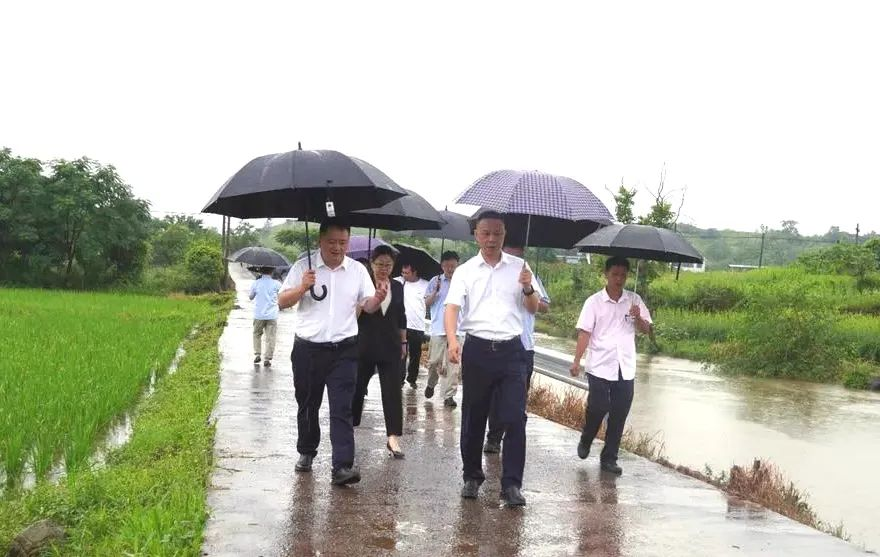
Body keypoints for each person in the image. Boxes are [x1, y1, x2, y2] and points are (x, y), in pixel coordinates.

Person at [279, 220, 388, 486]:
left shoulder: (358, 271)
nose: (337, 248)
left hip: (344, 349)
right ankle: (307, 451)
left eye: (343, 242)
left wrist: (378, 298)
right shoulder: (303, 267)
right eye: (332, 242)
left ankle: (342, 465)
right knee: (308, 404)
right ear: (320, 241)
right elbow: (282, 302)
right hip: (308, 349)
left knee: (342, 408)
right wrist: (302, 287)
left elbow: (368, 305)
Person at [445, 211, 540, 507]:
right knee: (474, 416)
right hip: (477, 349)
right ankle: (472, 476)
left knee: (515, 418)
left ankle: (511, 485)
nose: (491, 239)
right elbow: (452, 308)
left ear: (504, 235)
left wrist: (528, 287)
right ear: (476, 235)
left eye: (497, 233)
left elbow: (533, 307)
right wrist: (452, 341)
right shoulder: (465, 271)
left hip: (512, 351)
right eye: (485, 233)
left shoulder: (520, 267)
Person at [569, 256, 652, 475]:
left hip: (625, 366)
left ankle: (609, 458)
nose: (619, 279)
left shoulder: (634, 300)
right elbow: (584, 332)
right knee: (598, 406)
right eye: (615, 274)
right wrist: (577, 361)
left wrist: (638, 318)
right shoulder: (594, 302)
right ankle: (587, 437)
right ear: (606, 274)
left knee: (619, 412)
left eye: (623, 275)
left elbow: (647, 330)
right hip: (599, 364)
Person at [484, 244, 550, 453]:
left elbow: (544, 307)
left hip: (524, 346)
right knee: (496, 395)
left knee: (518, 397)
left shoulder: (529, 276)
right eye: (509, 253)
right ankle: (494, 438)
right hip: (499, 344)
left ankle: (514, 438)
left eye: (518, 254)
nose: (513, 258)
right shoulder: (492, 277)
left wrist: (528, 290)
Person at [351, 245, 408, 459]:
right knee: (357, 388)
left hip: (391, 344)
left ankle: (393, 437)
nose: (384, 269)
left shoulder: (398, 286)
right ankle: (350, 427)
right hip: (364, 344)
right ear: (372, 264)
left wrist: (404, 342)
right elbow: (354, 314)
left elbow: (401, 316)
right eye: (380, 264)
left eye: (388, 265)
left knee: (392, 391)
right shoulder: (363, 284)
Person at [423, 251, 462, 408]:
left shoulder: (463, 282)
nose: (450, 269)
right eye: (447, 266)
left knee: (453, 365)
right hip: (438, 328)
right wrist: (435, 291)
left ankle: (449, 395)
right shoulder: (435, 281)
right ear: (442, 266)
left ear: (458, 265)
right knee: (434, 362)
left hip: (457, 329)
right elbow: (426, 303)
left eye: (453, 266)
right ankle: (431, 383)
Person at [398, 263, 429, 390]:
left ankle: (412, 378)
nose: (404, 275)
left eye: (407, 273)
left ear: (414, 272)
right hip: (402, 325)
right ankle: (399, 379)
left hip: (418, 325)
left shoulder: (425, 284)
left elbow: (428, 302)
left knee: (416, 354)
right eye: (402, 272)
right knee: (401, 353)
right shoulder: (399, 282)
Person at [249, 266, 282, 367]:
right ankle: (267, 359)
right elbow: (282, 296)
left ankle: (257, 354)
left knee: (257, 334)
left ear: (261, 271)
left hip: (259, 314)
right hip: (272, 315)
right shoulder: (277, 284)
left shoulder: (256, 283)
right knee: (270, 337)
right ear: (272, 271)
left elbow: (251, 297)